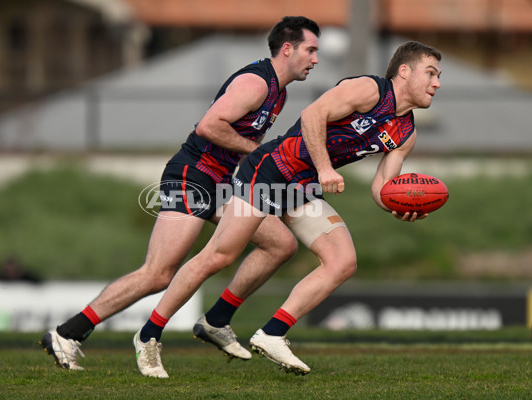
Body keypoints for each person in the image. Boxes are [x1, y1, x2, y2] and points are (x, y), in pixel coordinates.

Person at [135, 41, 442, 377]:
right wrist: (325, 169)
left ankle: (272, 333)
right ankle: (148, 335)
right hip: (269, 171)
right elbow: (313, 115)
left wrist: (398, 206)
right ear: (404, 71)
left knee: (343, 261)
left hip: (302, 188)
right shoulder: (369, 89)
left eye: (438, 76)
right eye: (430, 73)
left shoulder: (406, 131)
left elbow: (382, 187)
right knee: (220, 255)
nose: (436, 83)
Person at [40, 16, 320, 372]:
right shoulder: (257, 83)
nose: (315, 59)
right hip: (193, 174)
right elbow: (208, 126)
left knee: (281, 244)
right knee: (158, 273)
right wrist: (254, 152)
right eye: (310, 50)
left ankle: (216, 320)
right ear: (287, 49)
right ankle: (68, 333)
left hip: (219, 181)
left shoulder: (279, 90)